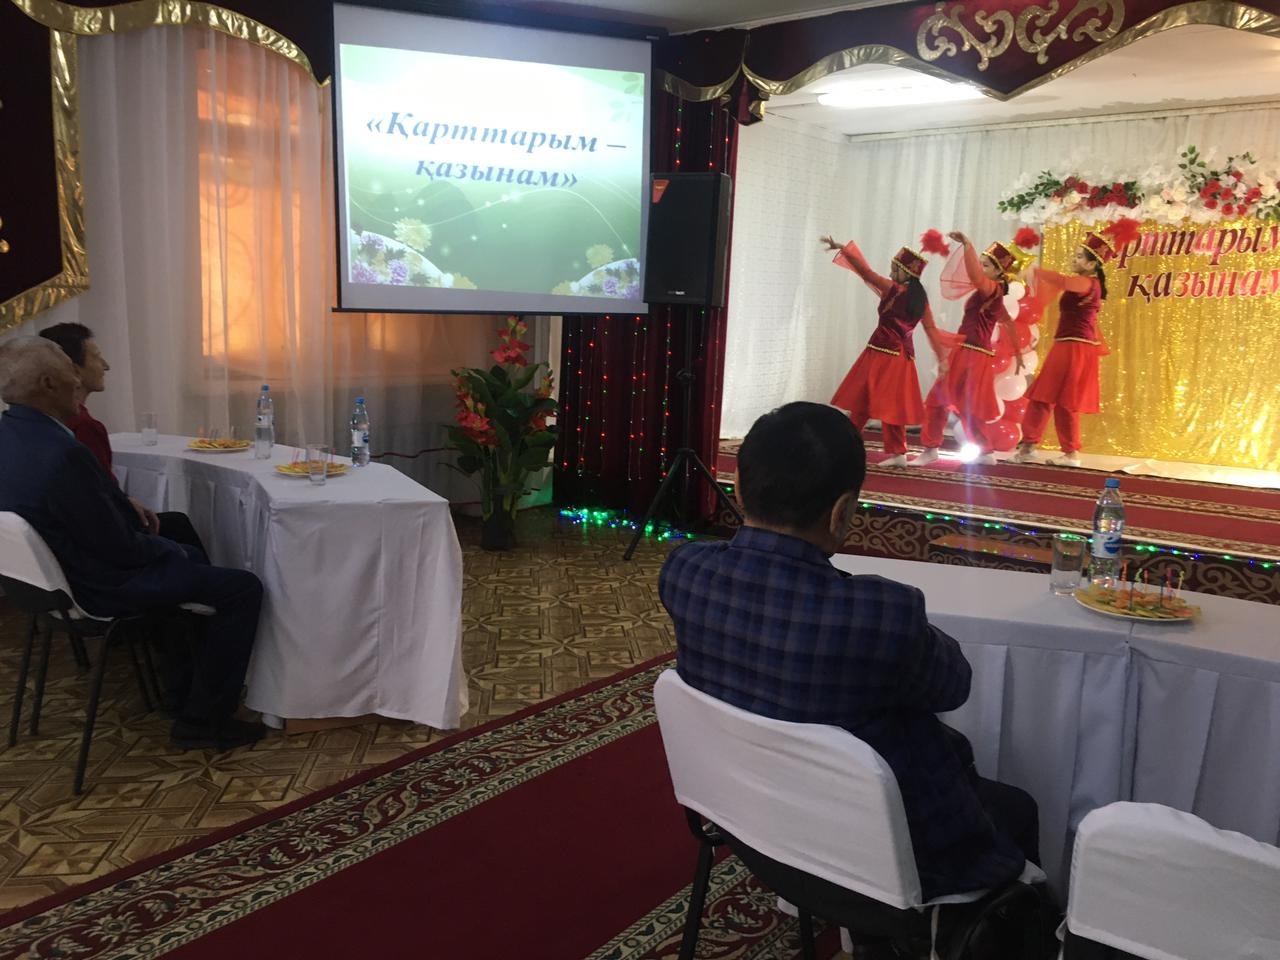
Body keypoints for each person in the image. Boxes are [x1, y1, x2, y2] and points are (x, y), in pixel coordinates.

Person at [659, 401, 1039, 907]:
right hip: (885, 854)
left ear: (738, 487)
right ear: (842, 512)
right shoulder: (880, 612)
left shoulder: (684, 571)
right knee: (1018, 808)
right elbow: (953, 686)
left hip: (752, 826)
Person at [0, 337, 264, 750]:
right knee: (241, 588)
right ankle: (202, 720)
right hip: (98, 585)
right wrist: (173, 551)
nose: (77, 379)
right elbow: (121, 551)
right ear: (49, 383)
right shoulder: (63, 453)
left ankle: (181, 692)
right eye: (69, 369)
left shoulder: (10, 434)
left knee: (184, 551)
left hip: (48, 586)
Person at [38, 322, 205, 550]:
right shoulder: (84, 426)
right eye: (97, 357)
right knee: (180, 531)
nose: (106, 366)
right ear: (74, 369)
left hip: (62, 534)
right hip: (101, 541)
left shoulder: (39, 421)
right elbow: (98, 497)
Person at [820, 232, 950, 467]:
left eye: (894, 270)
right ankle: (877, 450)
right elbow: (931, 330)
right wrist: (941, 358)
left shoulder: (893, 289)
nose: (890, 274)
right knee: (881, 403)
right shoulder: (919, 300)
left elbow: (867, 273)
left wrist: (845, 249)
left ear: (905, 272)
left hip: (883, 354)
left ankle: (858, 447)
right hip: (898, 357)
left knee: (868, 400)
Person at [1011, 221, 1134, 468]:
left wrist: (1036, 271)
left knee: (1064, 401)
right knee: (1043, 396)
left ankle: (1069, 453)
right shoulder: (1085, 282)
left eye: (1079, 257)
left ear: (1091, 264)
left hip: (1076, 348)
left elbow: (1065, 282)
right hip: (1066, 345)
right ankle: (1030, 446)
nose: (1074, 259)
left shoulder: (1088, 283)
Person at [916, 232, 1023, 467]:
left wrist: (967, 245)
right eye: (981, 263)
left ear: (999, 272)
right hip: (970, 352)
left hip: (971, 355)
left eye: (986, 265)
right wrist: (1018, 352)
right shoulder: (992, 293)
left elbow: (974, 275)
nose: (981, 269)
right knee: (952, 402)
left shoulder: (991, 289)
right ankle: (974, 450)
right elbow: (1007, 321)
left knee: (948, 401)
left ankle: (937, 448)